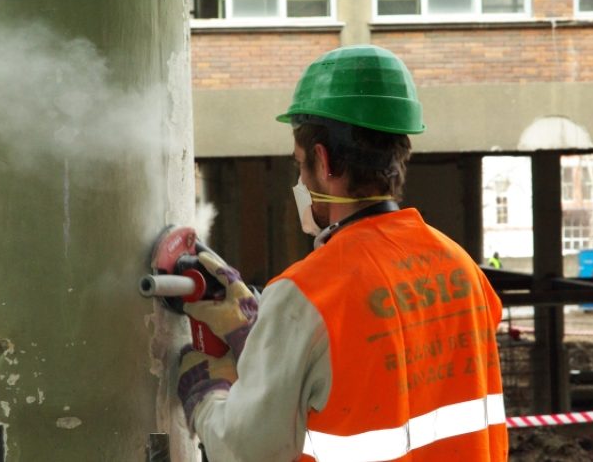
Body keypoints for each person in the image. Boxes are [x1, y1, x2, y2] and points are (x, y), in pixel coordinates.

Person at [176, 45, 508, 461]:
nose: (299, 178)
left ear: (323, 159)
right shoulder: (461, 267)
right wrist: (262, 338)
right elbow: (374, 368)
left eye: (299, 163)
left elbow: (247, 450)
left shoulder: (306, 292)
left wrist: (206, 398)